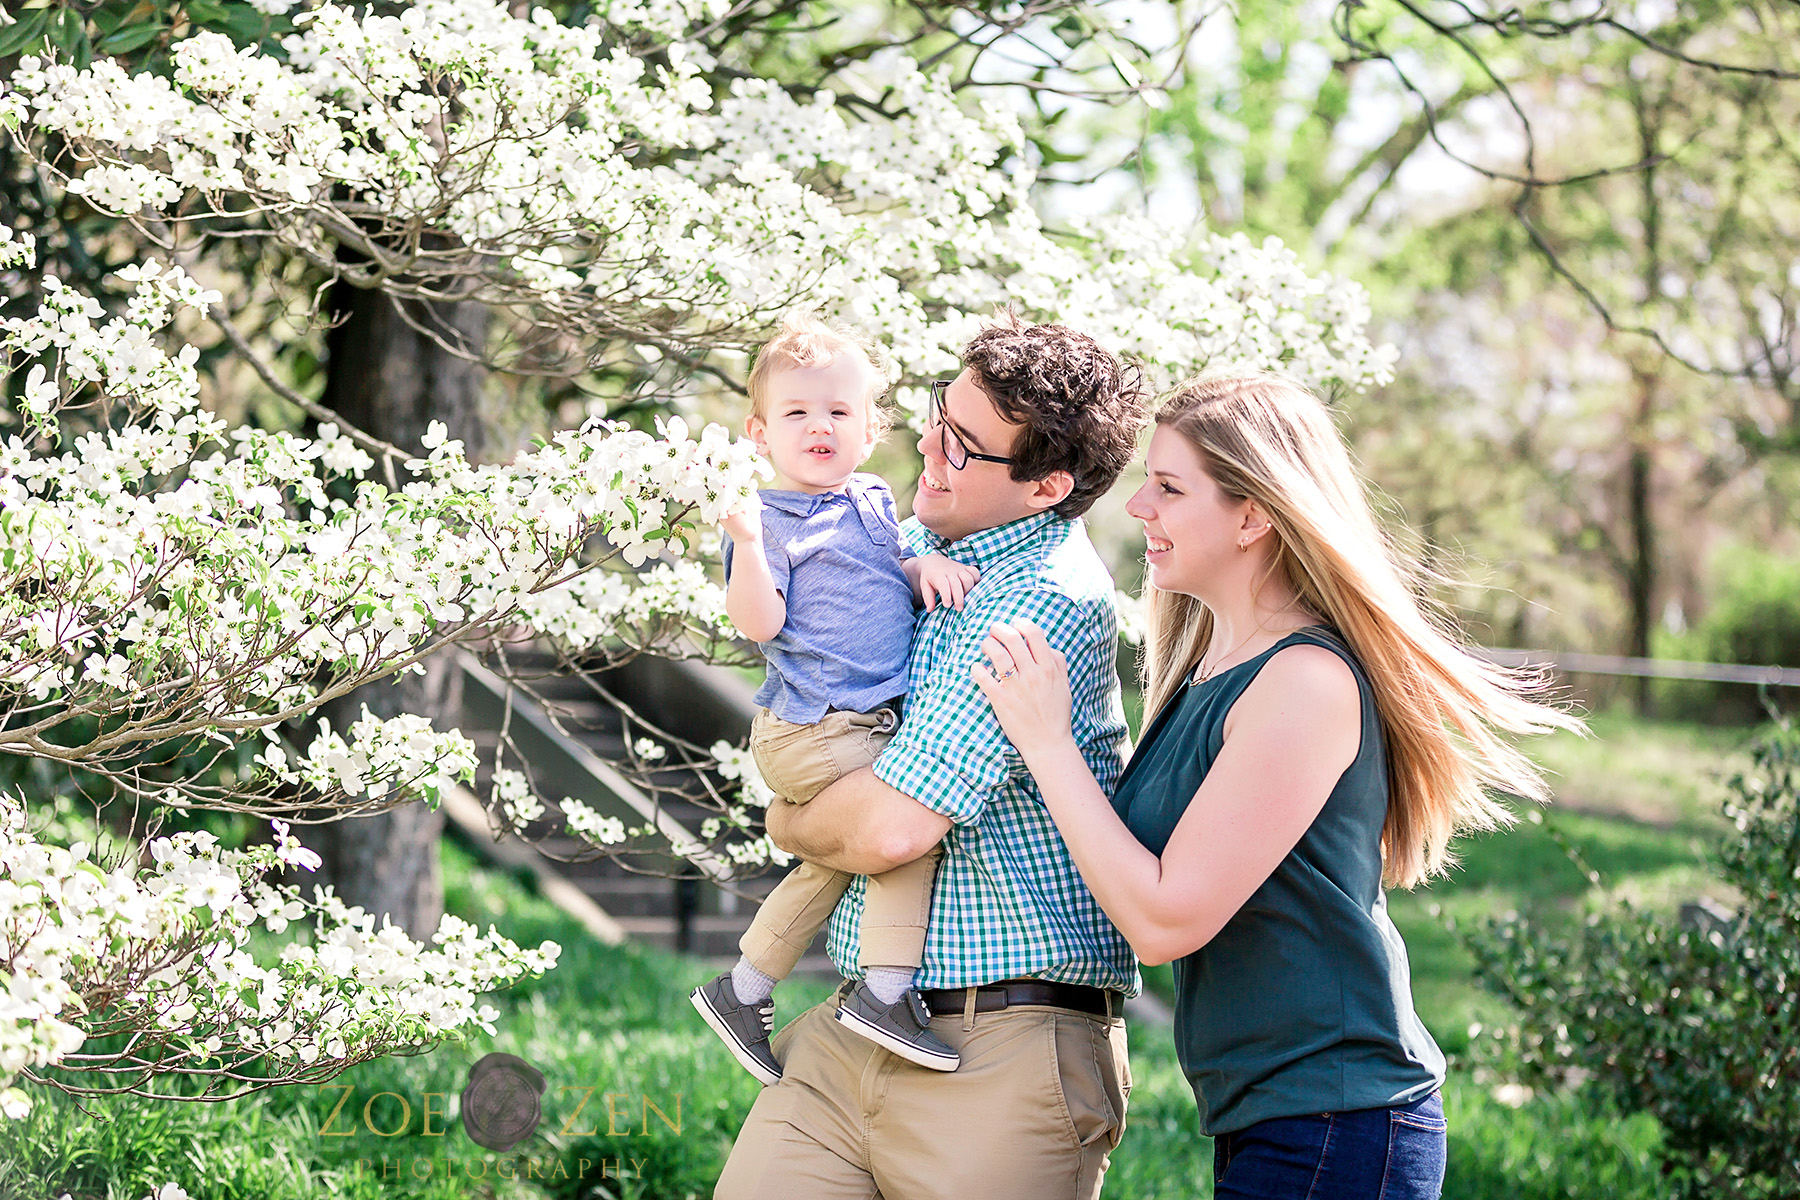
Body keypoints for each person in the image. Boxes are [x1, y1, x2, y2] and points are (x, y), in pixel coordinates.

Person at [971, 372, 1583, 1199]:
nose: (1137, 507)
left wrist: (1047, 744)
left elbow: (1163, 918)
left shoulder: (1304, 682)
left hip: (1341, 1121)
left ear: (1254, 515)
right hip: (1278, 1119)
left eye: (1169, 487)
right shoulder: (1205, 670)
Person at [714, 313, 1149, 1200]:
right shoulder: (909, 538)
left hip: (1003, 1047)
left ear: (1045, 486)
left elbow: (888, 830)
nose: (927, 443)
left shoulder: (1040, 602)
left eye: (962, 443)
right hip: (854, 1028)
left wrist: (786, 817)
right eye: (936, 414)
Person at [691, 314, 983, 1084]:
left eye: (838, 412)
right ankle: (887, 992)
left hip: (850, 721)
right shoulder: (769, 519)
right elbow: (759, 623)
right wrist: (748, 545)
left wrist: (921, 576)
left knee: (836, 859)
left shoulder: (875, 497)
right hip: (814, 723)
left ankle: (743, 987)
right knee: (903, 824)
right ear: (760, 432)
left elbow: (886, 573)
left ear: (870, 426)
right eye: (796, 413)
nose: (818, 426)